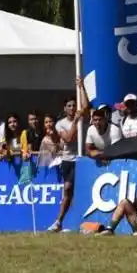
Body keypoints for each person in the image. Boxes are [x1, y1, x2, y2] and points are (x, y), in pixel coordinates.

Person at [48, 79, 90, 232]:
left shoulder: (83, 118)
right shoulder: (60, 124)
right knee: (67, 190)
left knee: (72, 188)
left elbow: (85, 106)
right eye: (69, 106)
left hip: (82, 160)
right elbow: (68, 138)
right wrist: (75, 122)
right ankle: (59, 222)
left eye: (74, 105)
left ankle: (79, 221)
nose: (72, 108)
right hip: (68, 160)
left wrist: (81, 87)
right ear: (65, 108)